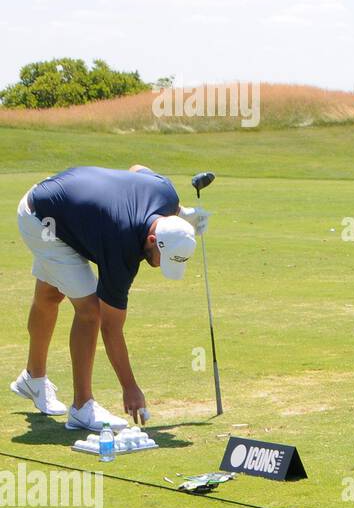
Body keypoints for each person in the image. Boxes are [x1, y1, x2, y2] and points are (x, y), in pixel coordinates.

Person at [11, 165, 208, 431]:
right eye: (164, 259)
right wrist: (130, 388)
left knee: (49, 294)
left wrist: (182, 215)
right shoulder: (122, 249)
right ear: (152, 239)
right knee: (90, 311)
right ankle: (82, 407)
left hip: (59, 200)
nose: (162, 267)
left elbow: (138, 169)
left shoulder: (167, 195)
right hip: (43, 219)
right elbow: (110, 327)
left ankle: (32, 378)